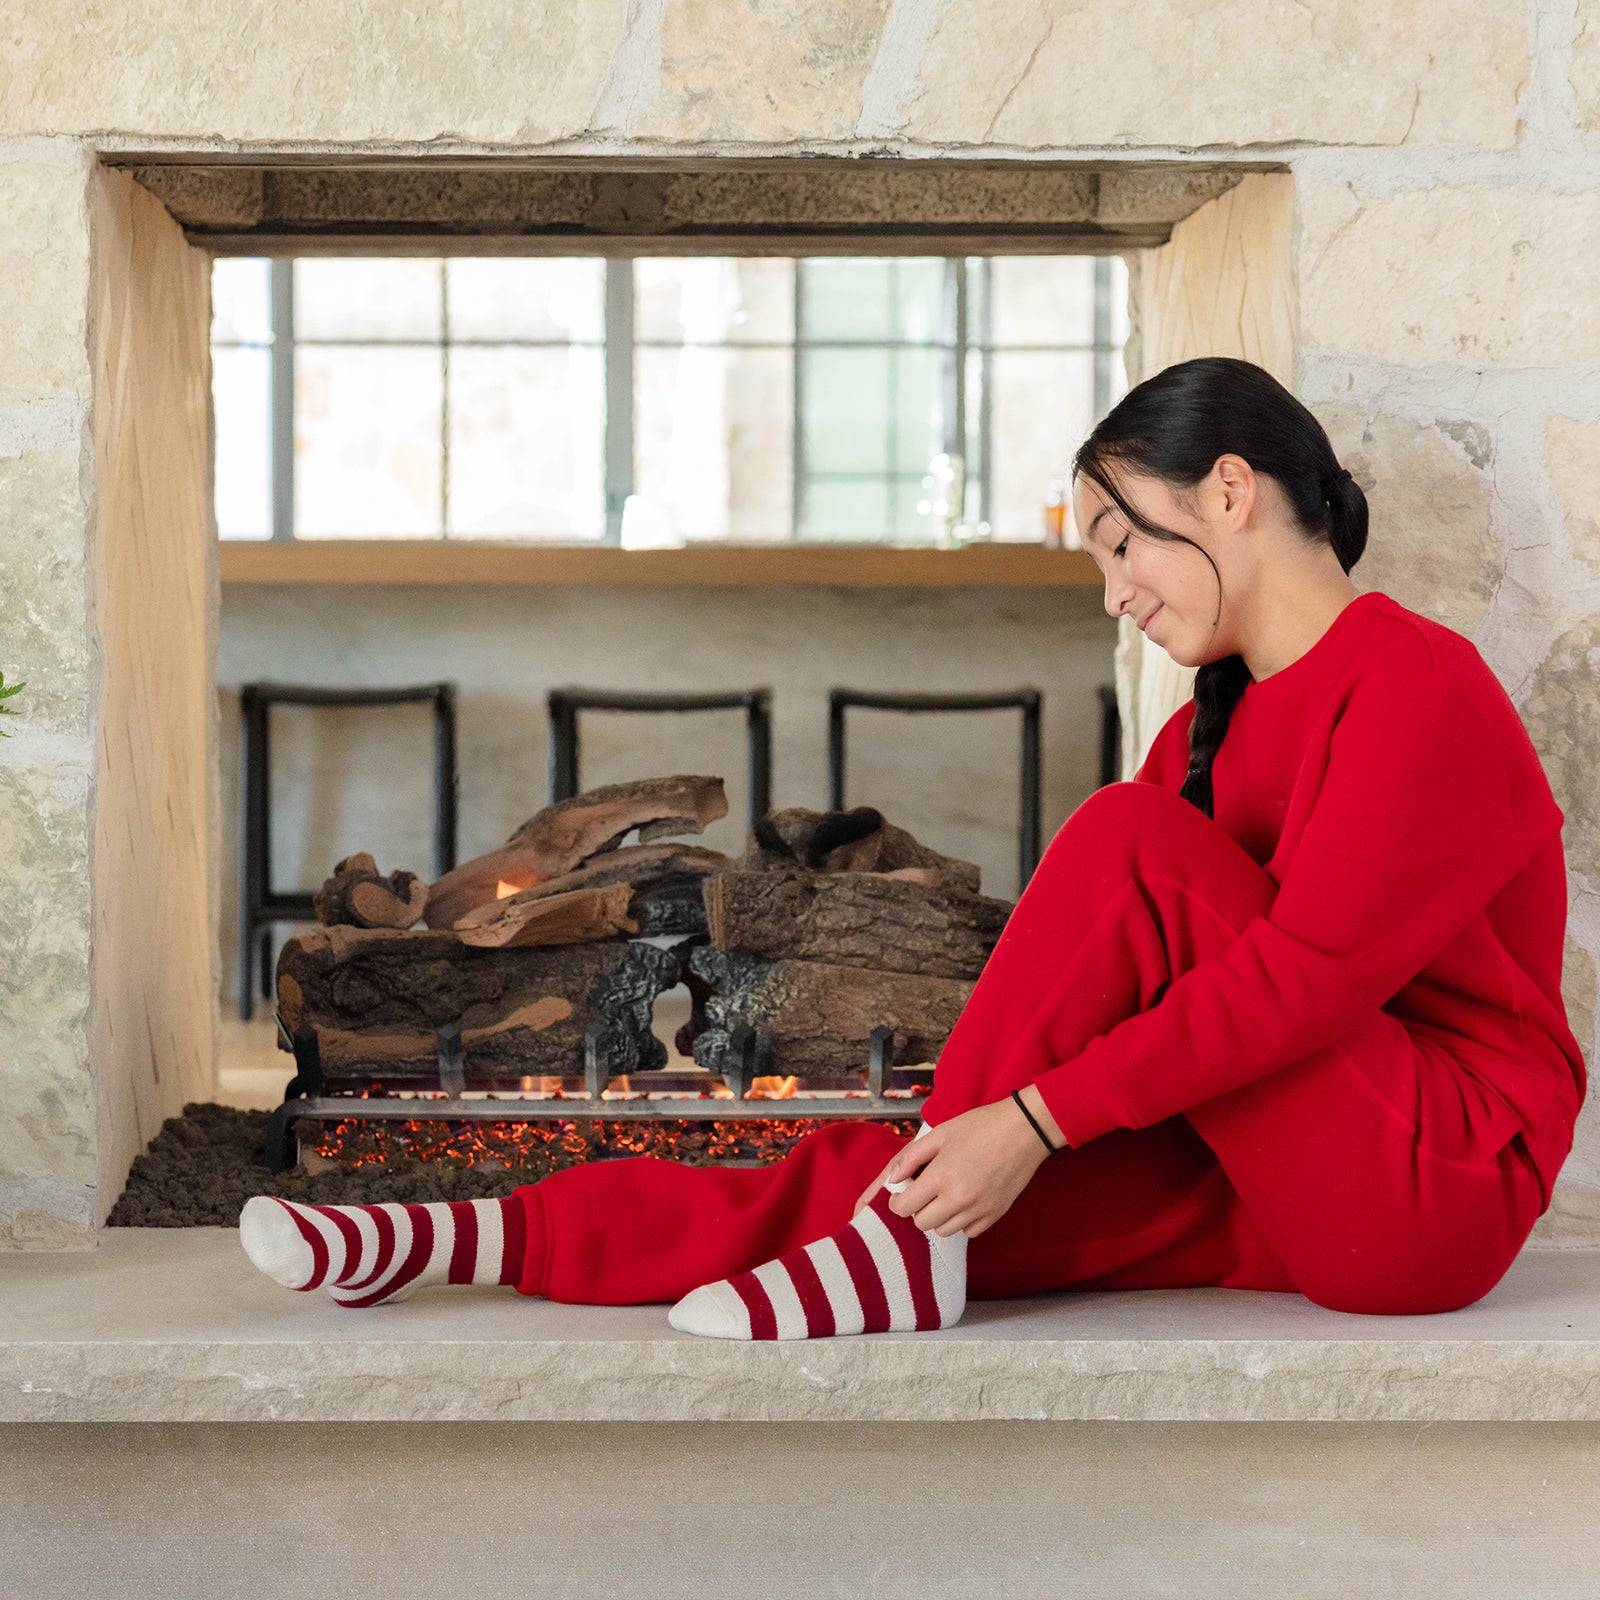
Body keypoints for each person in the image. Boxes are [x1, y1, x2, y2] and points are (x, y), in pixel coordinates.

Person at [239, 356, 1587, 1338]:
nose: (1117, 592)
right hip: (1276, 1160)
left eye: (1125, 544)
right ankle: (454, 1237)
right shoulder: (1212, 724)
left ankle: (898, 1249)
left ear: (1230, 491)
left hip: (1431, 1183)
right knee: (906, 1185)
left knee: (1114, 858)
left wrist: (1033, 1115)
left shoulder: (1418, 685)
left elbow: (1302, 981)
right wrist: (994, 1134)